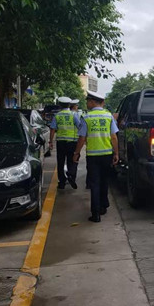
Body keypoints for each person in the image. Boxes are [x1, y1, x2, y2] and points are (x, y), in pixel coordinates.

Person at [73, 90, 119, 223]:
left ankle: (96, 214)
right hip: (107, 154)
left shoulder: (87, 117)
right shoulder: (108, 116)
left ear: (93, 102)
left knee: (94, 183)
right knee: (104, 181)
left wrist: (76, 153)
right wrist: (116, 153)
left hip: (93, 156)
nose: (87, 103)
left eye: (88, 101)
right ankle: (103, 206)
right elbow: (114, 137)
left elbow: (82, 138)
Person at [49, 96, 81, 190]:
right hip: (72, 142)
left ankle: (62, 183)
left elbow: (52, 129)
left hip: (60, 142)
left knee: (60, 162)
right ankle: (71, 176)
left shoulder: (57, 115)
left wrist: (51, 141)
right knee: (72, 161)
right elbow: (79, 126)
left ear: (60, 105)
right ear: (69, 105)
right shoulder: (74, 115)